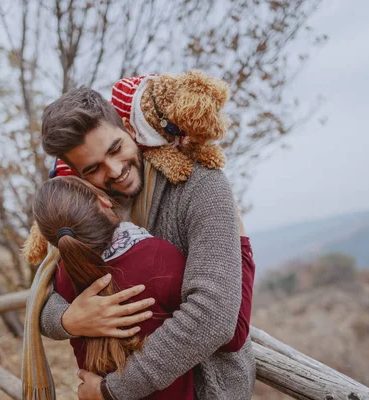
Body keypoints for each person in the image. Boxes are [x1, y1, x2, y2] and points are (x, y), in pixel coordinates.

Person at [37, 87, 256, 400]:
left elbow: (216, 319)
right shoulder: (85, 207)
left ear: (129, 129)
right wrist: (68, 320)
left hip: (208, 390)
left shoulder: (201, 185)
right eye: (94, 168)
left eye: (116, 149)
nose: (115, 170)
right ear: (78, 173)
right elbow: (41, 295)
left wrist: (113, 390)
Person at [33, 175, 195, 400]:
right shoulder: (160, 257)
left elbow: (38, 309)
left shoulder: (60, 276)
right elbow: (226, 330)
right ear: (103, 201)